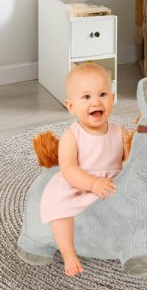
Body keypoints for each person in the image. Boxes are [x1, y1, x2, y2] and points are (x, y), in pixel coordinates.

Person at [39, 62, 129, 276]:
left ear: (113, 99)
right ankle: (68, 252)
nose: (96, 101)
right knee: (57, 205)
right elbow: (68, 168)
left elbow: (129, 161)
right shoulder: (72, 135)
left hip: (112, 181)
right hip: (79, 183)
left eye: (103, 94)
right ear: (71, 107)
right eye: (86, 97)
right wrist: (92, 183)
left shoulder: (120, 131)